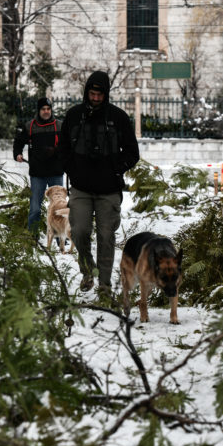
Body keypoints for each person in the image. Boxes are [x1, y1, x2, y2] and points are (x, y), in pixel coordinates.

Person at [56, 70, 140, 295]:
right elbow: (62, 148)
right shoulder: (73, 116)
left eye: (99, 95)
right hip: (81, 187)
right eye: (92, 94)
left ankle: (104, 284)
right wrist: (71, 167)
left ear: (106, 95)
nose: (95, 98)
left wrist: (115, 169)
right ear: (86, 93)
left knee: (106, 236)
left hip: (109, 190)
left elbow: (132, 153)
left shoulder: (118, 118)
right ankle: (87, 271)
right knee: (80, 231)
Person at [13, 97, 64, 232]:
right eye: (43, 109)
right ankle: (32, 240)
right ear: (39, 110)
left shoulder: (59, 126)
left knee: (59, 209)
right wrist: (17, 154)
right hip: (37, 174)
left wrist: (56, 151)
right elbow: (18, 141)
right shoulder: (30, 126)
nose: (46, 111)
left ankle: (61, 242)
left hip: (56, 173)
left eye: (48, 109)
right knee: (35, 209)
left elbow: (68, 145)